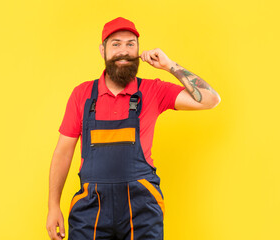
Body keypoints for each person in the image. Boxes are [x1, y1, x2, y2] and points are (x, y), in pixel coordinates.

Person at [46, 17, 221, 240]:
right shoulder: (82, 95)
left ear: (139, 50)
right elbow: (63, 152)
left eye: (131, 44)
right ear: (103, 50)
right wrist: (53, 206)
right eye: (116, 43)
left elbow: (210, 99)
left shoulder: (153, 91)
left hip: (142, 209)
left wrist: (169, 65)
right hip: (90, 208)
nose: (124, 51)